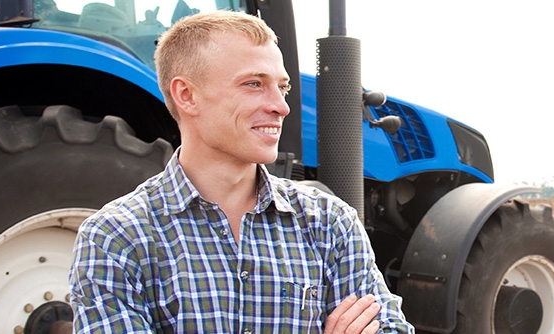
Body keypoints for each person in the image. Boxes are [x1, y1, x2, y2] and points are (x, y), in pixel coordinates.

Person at [69, 10, 413, 333]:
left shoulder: (330, 223)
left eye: (283, 87)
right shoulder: (115, 238)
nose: (280, 106)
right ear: (187, 95)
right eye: (253, 84)